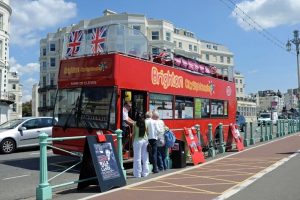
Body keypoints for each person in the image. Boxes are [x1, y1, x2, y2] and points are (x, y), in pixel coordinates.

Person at [132, 113, 149, 178]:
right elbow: (147, 132)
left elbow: (133, 134)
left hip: (137, 141)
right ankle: (145, 173)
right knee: (145, 157)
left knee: (137, 158)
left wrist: (132, 142)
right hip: (145, 140)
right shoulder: (146, 123)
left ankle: (137, 174)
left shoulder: (135, 124)